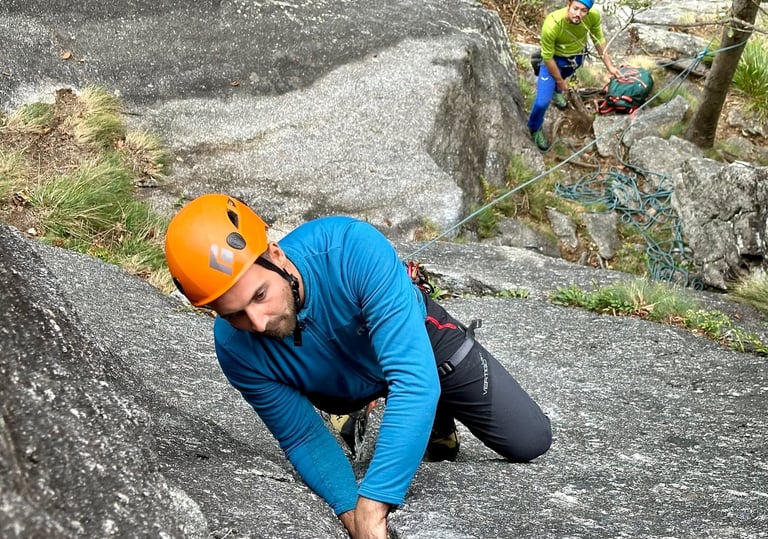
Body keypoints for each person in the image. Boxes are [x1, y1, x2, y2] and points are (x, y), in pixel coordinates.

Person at [165, 194, 552, 538]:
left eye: (260, 295)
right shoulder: (235, 348)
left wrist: (376, 500)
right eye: (235, 315)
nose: (259, 323)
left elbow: (415, 382)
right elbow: (302, 437)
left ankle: (432, 411)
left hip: (421, 349)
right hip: (338, 387)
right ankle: (372, 412)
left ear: (275, 254)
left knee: (529, 438)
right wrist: (353, 513)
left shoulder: (350, 248)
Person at [527, 0, 621, 150]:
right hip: (552, 60)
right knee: (541, 102)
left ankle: (556, 92)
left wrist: (609, 65)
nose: (578, 14)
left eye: (583, 10)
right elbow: (548, 57)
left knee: (563, 77)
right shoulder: (553, 23)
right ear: (569, 4)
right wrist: (558, 80)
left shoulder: (593, 17)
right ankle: (534, 127)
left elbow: (598, 40)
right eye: (575, 8)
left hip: (574, 58)